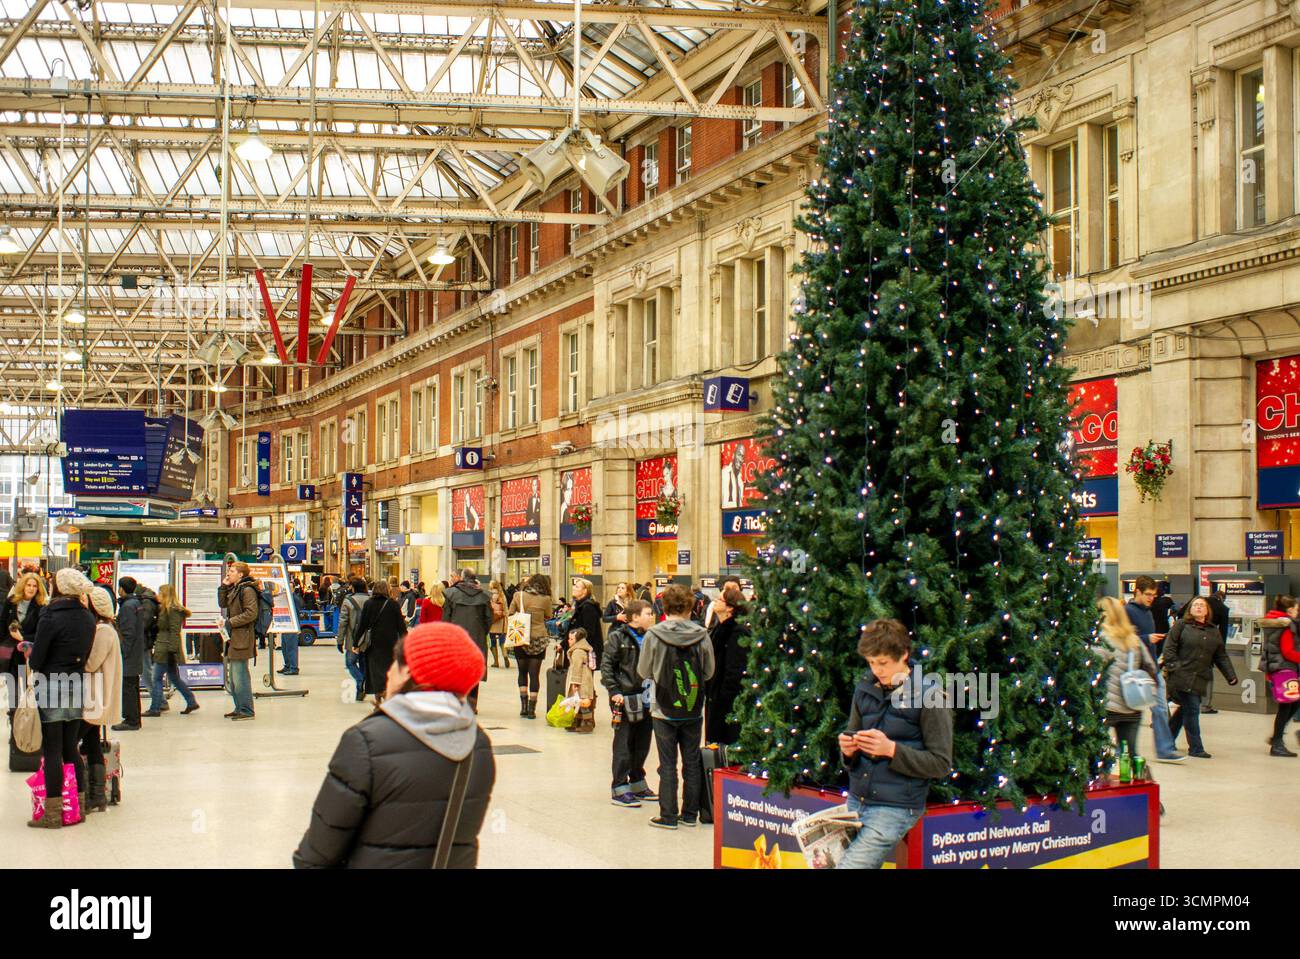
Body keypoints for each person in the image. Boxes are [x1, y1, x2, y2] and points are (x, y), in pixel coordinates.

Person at [293, 623, 496, 868]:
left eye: (395, 664)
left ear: (409, 672)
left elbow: (319, 851)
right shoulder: (479, 742)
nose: (388, 673)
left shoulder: (366, 741)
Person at [836, 619, 953, 869]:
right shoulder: (865, 688)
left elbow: (941, 764)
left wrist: (891, 750)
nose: (877, 670)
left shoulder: (930, 696)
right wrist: (848, 751)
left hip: (897, 806)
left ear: (904, 655)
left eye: (883, 663)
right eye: (871, 662)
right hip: (857, 800)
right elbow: (852, 735)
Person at [637, 584, 715, 829]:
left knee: (667, 763)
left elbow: (644, 670)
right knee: (691, 761)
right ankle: (690, 814)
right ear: (691, 607)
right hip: (693, 708)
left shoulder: (654, 634)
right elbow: (709, 671)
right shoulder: (702, 634)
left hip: (663, 708)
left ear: (665, 606)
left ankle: (668, 816)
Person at [26, 568, 96, 828]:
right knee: (71, 748)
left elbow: (37, 658)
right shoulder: (88, 618)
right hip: (76, 683)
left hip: (52, 683)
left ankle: (53, 813)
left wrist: (32, 655)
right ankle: (77, 806)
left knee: (52, 749)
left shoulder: (50, 616)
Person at [1163, 596, 1238, 759]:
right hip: (1181, 675)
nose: (1198, 607)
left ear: (1207, 610)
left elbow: (1220, 656)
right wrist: (1174, 666)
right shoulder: (1181, 625)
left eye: (1201, 605)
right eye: (1195, 605)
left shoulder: (1213, 631)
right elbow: (1169, 647)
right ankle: (1196, 747)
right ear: (1190, 609)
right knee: (1192, 709)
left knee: (1185, 710)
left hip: (1200, 676)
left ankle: (1166, 740)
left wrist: (1230, 676)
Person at [602, 599, 657, 808]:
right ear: (635, 617)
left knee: (642, 741)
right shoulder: (617, 637)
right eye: (648, 613)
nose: (651, 617)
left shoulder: (651, 637)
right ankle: (619, 786)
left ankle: (637, 781)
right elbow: (607, 665)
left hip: (647, 696)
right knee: (624, 742)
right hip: (625, 696)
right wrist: (614, 691)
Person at [1123, 576, 1184, 763]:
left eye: (1154, 595)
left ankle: (1165, 748)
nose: (1151, 598)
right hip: (1136, 669)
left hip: (1151, 667)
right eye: (1148, 594)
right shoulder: (1127, 612)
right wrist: (1146, 638)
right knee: (1132, 712)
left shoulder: (1148, 612)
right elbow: (1123, 639)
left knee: (1160, 708)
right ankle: (1129, 752)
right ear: (1137, 592)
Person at [1096, 596, 1158, 764]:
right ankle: (1138, 784)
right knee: (1131, 754)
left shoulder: (1100, 640)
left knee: (1095, 752)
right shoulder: (1134, 640)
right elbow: (1151, 667)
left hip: (1106, 706)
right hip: (1133, 705)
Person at [82, 586, 121, 814]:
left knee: (78, 737)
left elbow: (91, 664)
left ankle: (90, 793)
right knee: (92, 742)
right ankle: (97, 795)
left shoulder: (103, 631)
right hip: (98, 694)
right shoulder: (107, 628)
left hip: (98, 696)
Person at [143, 584, 200, 718]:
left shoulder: (172, 611)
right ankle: (191, 701)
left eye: (160, 593)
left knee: (156, 678)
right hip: (165, 647)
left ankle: (155, 707)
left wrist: (171, 650)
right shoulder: (166, 609)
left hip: (166, 648)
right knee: (174, 678)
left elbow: (175, 631)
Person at [352, 580, 408, 707]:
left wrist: (356, 643)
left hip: (373, 644)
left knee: (375, 671)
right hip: (390, 644)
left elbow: (362, 625)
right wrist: (406, 641)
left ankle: (378, 699)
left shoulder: (368, 604)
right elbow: (401, 626)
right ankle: (387, 694)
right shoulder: (393, 604)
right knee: (388, 670)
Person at [443, 569, 492, 709]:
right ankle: (472, 703)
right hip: (476, 638)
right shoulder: (483, 596)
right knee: (474, 669)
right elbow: (489, 619)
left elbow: (446, 617)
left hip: (456, 638)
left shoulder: (451, 594)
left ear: (462, 578)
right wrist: (481, 632)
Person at [705, 586, 747, 746]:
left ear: (729, 607)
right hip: (716, 698)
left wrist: (721, 697)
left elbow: (735, 671)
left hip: (727, 704)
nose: (715, 601)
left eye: (720, 599)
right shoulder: (720, 628)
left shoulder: (737, 633)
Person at [218, 561, 260, 721]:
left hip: (242, 637)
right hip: (234, 638)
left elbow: (251, 613)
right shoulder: (235, 589)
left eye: (232, 571)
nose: (229, 573)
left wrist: (231, 622)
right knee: (235, 677)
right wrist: (224, 586)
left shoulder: (247, 590)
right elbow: (223, 603)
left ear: (241, 574)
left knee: (240, 675)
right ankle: (239, 707)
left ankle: (247, 710)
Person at [112, 577, 155, 731]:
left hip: (129, 654)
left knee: (128, 687)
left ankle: (131, 720)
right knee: (133, 686)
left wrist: (123, 652)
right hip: (137, 649)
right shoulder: (136, 603)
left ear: (122, 588)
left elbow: (127, 633)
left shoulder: (128, 606)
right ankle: (134, 718)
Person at [1259, 594, 1300, 756]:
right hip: (1285, 670)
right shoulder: (1286, 626)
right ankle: (1277, 743)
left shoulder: (1273, 622)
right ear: (1290, 610)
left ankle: (1277, 736)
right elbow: (1288, 651)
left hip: (1276, 669)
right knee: (1286, 706)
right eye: (1296, 610)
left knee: (1293, 703)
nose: (1298, 612)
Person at [509, 573, 553, 718]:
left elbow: (510, 613)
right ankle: (532, 709)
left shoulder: (518, 595)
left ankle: (523, 706)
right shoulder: (546, 599)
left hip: (521, 637)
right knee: (534, 674)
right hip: (539, 638)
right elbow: (549, 615)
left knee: (522, 672)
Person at [337, 578, 370, 702]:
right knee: (363, 663)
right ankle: (360, 688)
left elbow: (343, 622)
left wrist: (340, 640)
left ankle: (360, 681)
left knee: (350, 663)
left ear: (354, 587)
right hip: (367, 639)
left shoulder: (348, 601)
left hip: (352, 639)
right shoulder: (370, 600)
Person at [563, 626, 597, 734]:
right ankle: (578, 721)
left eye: (571, 639)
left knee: (581, 701)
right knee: (578, 701)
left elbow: (577, 668)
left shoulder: (577, 651)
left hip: (581, 680)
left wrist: (575, 683)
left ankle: (587, 722)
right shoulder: (585, 649)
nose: (569, 641)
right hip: (585, 679)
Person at [570, 578, 604, 666]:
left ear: (585, 591)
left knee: (584, 678)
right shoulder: (579, 605)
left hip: (585, 652)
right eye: (574, 586)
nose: (573, 588)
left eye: (577, 587)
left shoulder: (588, 607)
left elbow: (589, 632)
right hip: (579, 649)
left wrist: (576, 642)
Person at [487, 581, 508, 669]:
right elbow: (506, 609)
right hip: (502, 621)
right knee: (502, 641)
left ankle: (496, 661)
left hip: (492, 621)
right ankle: (505, 656)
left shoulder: (489, 595)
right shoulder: (502, 595)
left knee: (492, 641)